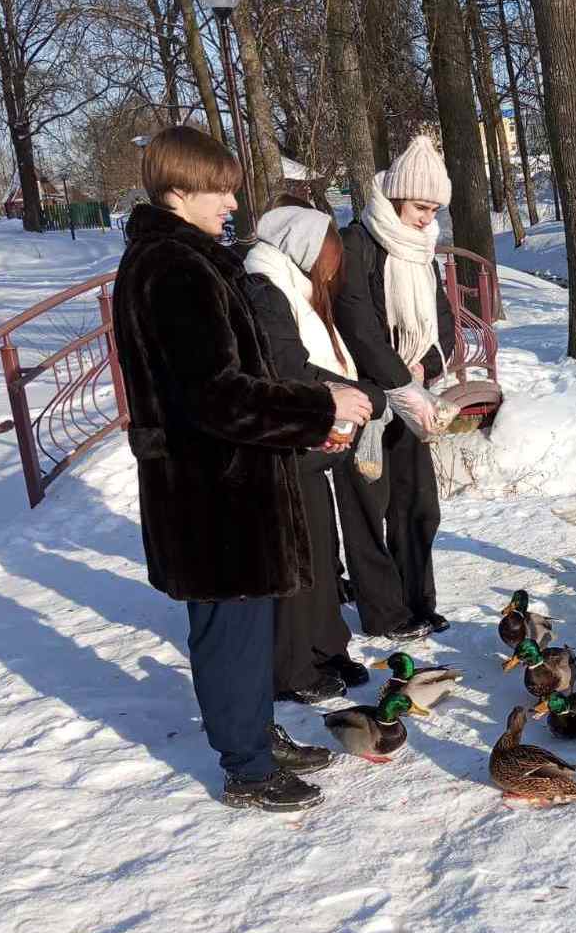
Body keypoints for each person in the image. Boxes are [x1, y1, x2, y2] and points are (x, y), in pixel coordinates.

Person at [111, 126, 372, 812]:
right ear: (178, 189)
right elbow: (216, 395)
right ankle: (247, 769)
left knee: (246, 627)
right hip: (211, 491)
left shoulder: (189, 260)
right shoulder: (173, 269)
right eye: (219, 189)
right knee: (228, 630)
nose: (233, 201)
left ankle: (255, 731)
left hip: (224, 484)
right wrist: (320, 405)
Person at [240, 204, 387, 702]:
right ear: (304, 248)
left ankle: (327, 647)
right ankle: (292, 668)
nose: (333, 269)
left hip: (307, 439)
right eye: (329, 256)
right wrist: (360, 393)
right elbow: (288, 367)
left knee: (321, 552)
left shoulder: (290, 286)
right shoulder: (264, 287)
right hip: (284, 443)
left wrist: (355, 396)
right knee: (299, 558)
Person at [334, 137, 456, 639]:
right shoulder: (358, 243)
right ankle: (384, 613)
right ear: (396, 197)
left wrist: (425, 368)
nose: (428, 218)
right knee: (368, 508)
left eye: (434, 209)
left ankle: (418, 601)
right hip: (367, 397)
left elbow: (443, 321)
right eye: (421, 206)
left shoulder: (421, 251)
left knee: (417, 502)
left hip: (412, 395)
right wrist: (400, 383)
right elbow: (355, 321)